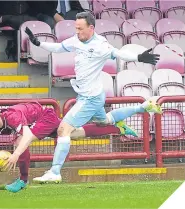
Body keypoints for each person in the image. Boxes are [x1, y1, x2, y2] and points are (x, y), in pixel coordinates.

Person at [24, 11, 162, 183]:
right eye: (76, 28)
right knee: (104, 121)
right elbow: (59, 47)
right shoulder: (77, 39)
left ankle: (55, 171)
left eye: (80, 29)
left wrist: (139, 57)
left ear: (91, 28)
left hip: (90, 98)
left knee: (63, 130)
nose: (77, 32)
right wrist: (39, 43)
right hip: (93, 95)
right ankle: (143, 107)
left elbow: (118, 54)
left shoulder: (100, 45)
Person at [0, 100, 158, 193]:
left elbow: (26, 135)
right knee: (76, 133)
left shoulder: (12, 116)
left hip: (44, 116)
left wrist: (16, 154)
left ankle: (22, 181)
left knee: (21, 141)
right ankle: (117, 129)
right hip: (40, 120)